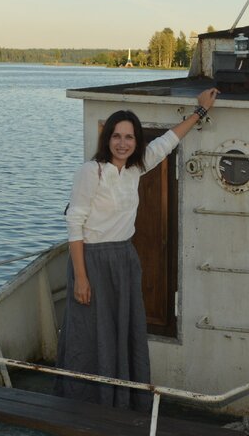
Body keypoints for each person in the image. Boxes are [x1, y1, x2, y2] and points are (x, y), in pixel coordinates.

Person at [57, 87, 219, 409]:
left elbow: (167, 142)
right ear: (107, 139)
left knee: (123, 331)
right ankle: (84, 402)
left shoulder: (134, 168)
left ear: (136, 141)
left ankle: (121, 399)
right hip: (92, 261)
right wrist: (81, 277)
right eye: (116, 136)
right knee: (89, 335)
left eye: (129, 137)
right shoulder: (92, 172)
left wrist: (200, 112)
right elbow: (74, 224)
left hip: (124, 260)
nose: (122, 143)